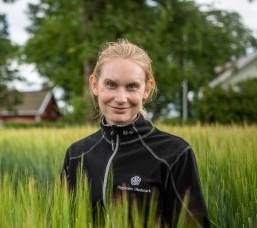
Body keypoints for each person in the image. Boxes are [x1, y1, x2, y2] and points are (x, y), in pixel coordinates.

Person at [62, 40, 210, 227]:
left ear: (146, 89)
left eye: (132, 86)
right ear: (94, 84)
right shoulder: (77, 154)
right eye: (111, 84)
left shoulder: (174, 153)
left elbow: (192, 224)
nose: (121, 98)